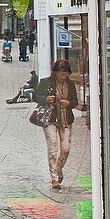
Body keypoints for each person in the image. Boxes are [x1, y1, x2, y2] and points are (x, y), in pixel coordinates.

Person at [34, 59, 80, 190]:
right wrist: (46, 99)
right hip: (50, 120)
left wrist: (69, 104)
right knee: (52, 148)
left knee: (65, 150)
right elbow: (35, 97)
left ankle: (58, 169)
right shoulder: (45, 82)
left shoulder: (70, 84)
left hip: (66, 120)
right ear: (55, 73)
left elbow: (75, 101)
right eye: (60, 74)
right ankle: (54, 179)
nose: (63, 76)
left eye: (65, 74)